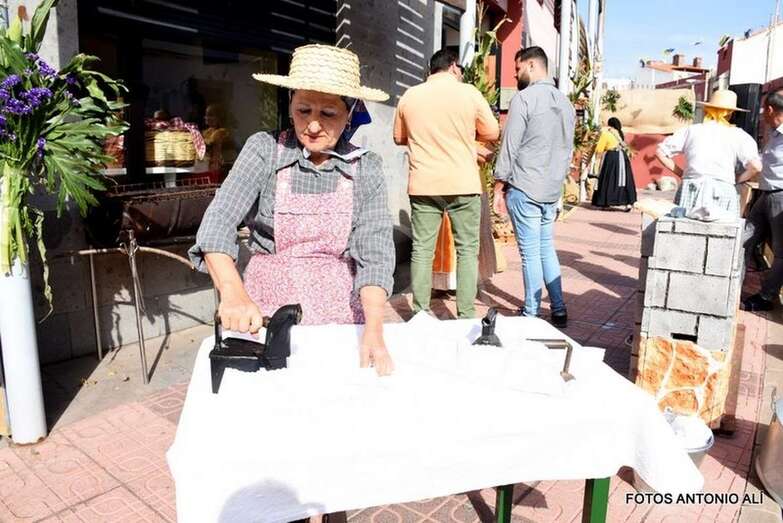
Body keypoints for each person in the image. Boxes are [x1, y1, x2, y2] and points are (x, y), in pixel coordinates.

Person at [189, 44, 395, 377]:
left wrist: (374, 328)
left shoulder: (365, 166)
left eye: (328, 114)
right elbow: (218, 221)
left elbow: (375, 252)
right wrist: (233, 292)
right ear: (290, 105)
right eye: (303, 110)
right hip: (264, 317)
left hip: (340, 319)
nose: (312, 126)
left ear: (350, 112)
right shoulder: (265, 150)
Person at [393, 48, 499, 318]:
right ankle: (465, 315)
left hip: (424, 184)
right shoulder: (469, 93)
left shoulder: (410, 95)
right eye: (460, 69)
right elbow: (492, 131)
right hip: (463, 183)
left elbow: (398, 137)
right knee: (467, 251)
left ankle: (420, 312)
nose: (461, 74)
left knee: (422, 250)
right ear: (453, 66)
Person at [492, 46, 575, 328]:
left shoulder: (523, 99)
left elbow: (510, 145)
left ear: (531, 65)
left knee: (530, 253)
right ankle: (559, 308)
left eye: (517, 69)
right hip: (551, 189)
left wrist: (498, 187)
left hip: (525, 186)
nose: (515, 75)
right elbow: (567, 149)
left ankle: (531, 312)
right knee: (545, 248)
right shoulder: (565, 103)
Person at [655, 90, 761, 219]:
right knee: (721, 229)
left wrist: (682, 173)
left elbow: (660, 152)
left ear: (707, 110)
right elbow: (756, 167)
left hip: (691, 187)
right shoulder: (740, 135)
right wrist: (736, 179)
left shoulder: (691, 130)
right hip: (723, 189)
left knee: (684, 228)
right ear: (730, 113)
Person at [742, 88, 783, 311]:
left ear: (769, 110)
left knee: (780, 252)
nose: (761, 115)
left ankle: (766, 297)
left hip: (780, 196)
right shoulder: (774, 134)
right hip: (765, 194)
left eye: (763, 110)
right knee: (745, 238)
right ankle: (732, 282)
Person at [591, 117, 637, 211]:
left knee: (608, 178)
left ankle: (605, 202)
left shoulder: (606, 134)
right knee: (625, 179)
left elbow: (599, 149)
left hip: (612, 157)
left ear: (609, 124)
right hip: (623, 157)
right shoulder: (620, 134)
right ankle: (628, 203)